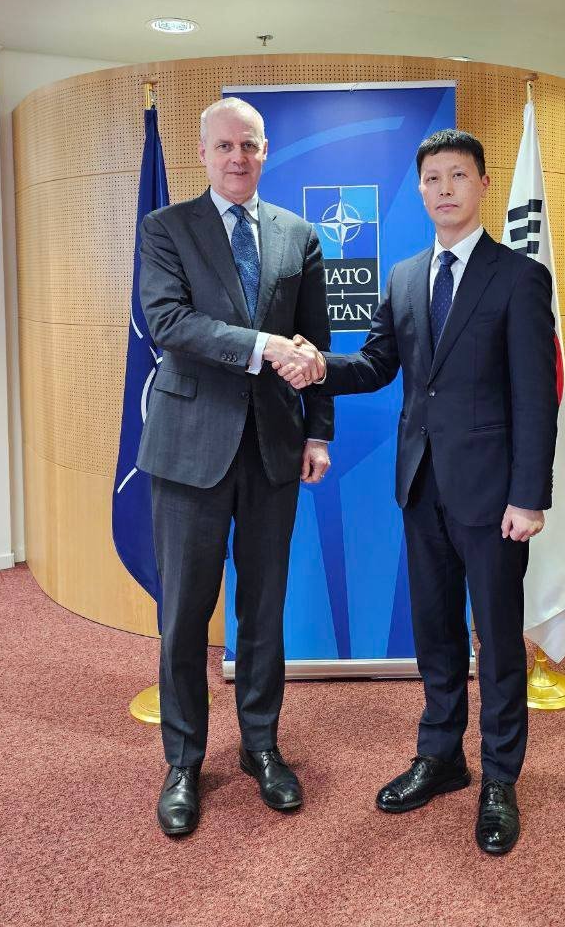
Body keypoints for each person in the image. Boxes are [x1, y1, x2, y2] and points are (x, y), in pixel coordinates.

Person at [273, 128, 557, 856]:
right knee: (435, 633)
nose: (443, 190)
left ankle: (500, 778)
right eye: (432, 179)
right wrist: (318, 365)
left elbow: (536, 397)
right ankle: (441, 756)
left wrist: (529, 496)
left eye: (457, 176)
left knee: (497, 640)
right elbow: (376, 365)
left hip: (495, 496)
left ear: (483, 184)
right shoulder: (404, 277)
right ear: (421, 190)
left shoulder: (519, 277)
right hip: (421, 485)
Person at [137, 96, 332, 838]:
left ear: (265, 149)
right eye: (223, 146)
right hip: (189, 449)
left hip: (275, 448)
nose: (237, 158)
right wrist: (260, 347)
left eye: (248, 145)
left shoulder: (298, 235)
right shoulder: (166, 228)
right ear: (202, 153)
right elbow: (168, 322)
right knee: (184, 614)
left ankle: (260, 746)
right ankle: (184, 760)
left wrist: (319, 434)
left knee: (264, 610)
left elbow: (313, 345)